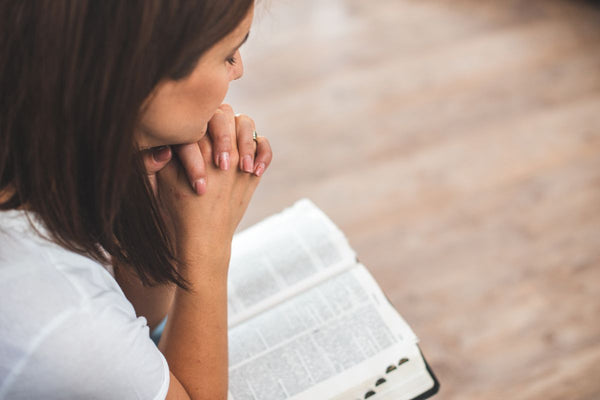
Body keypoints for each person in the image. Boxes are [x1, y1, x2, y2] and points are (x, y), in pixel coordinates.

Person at [0, 1, 272, 399]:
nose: (239, 69)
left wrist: (166, 212)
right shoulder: (58, 315)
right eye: (227, 53)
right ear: (141, 74)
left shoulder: (42, 163)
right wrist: (207, 248)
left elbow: (134, 320)